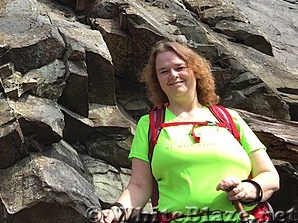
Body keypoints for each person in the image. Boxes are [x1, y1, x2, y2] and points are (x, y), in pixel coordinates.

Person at [95, 40, 279, 222]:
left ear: (196, 70)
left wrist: (249, 189)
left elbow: (270, 176)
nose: (173, 75)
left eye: (180, 67)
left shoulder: (229, 118)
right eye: (164, 71)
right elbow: (139, 186)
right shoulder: (149, 125)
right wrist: (115, 213)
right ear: (157, 80)